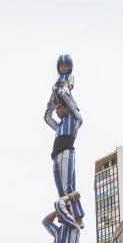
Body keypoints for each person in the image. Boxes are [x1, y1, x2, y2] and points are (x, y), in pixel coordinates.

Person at [44, 90, 84, 225]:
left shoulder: (74, 119)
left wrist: (61, 91)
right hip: (55, 156)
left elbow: (70, 101)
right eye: (56, 109)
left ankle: (78, 215)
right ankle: (65, 214)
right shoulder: (59, 126)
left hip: (66, 152)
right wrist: (51, 101)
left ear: (66, 108)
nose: (57, 111)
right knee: (61, 192)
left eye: (59, 108)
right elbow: (47, 118)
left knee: (68, 187)